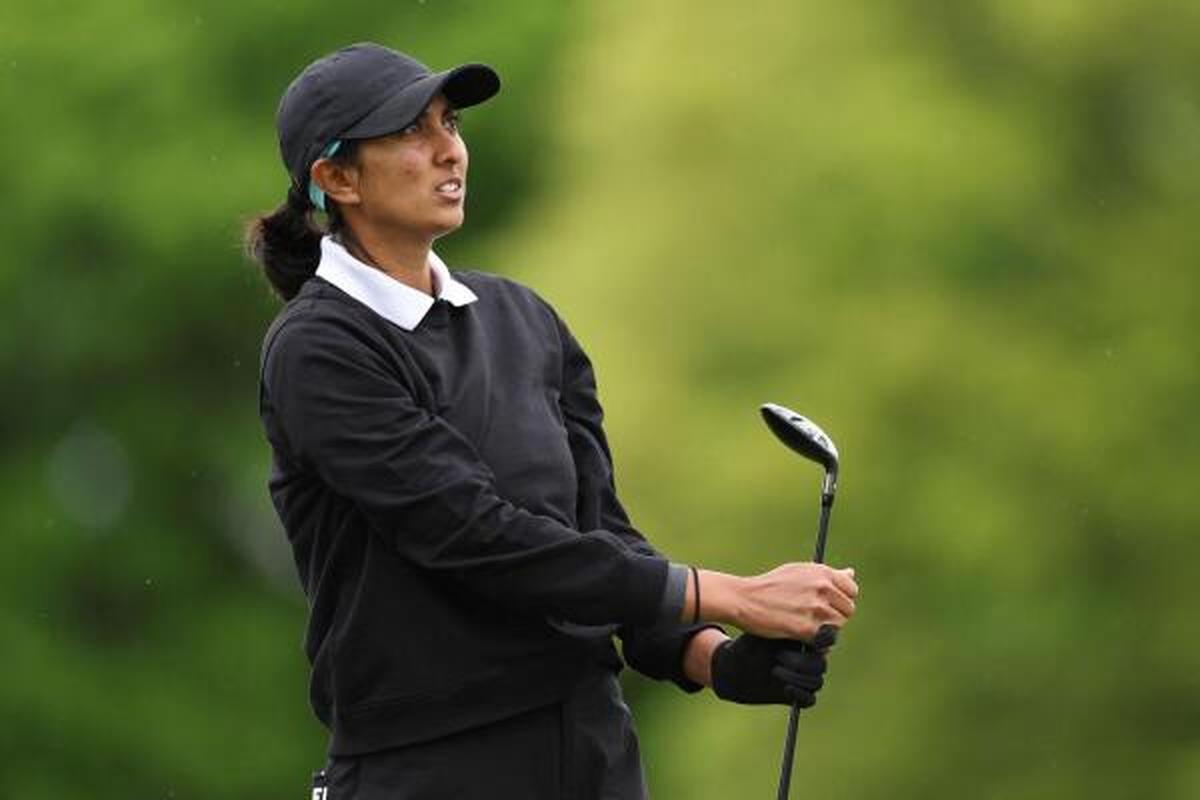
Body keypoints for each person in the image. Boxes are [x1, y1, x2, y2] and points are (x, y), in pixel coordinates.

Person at [246, 43, 859, 800]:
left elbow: (598, 533)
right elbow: (474, 534)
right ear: (337, 178)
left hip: (592, 749)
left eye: (451, 122)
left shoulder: (523, 318)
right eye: (411, 133)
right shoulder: (319, 347)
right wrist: (724, 593)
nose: (449, 151)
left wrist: (713, 657)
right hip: (430, 766)